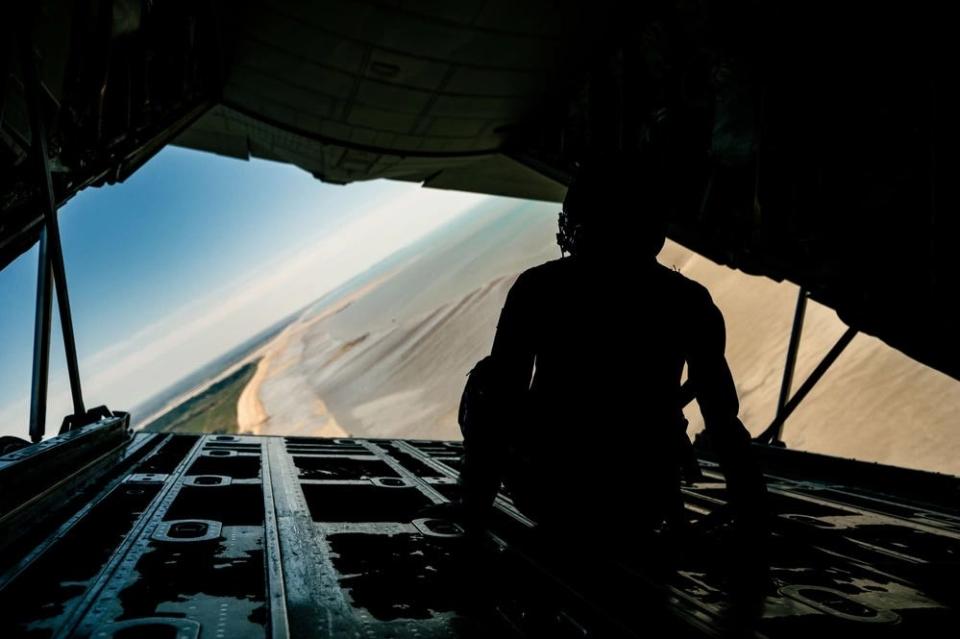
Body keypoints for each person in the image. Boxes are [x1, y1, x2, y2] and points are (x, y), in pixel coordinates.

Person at [457, 156, 768, 546]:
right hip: (645, 502)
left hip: (548, 495)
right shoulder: (690, 301)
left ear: (578, 225)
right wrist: (754, 519)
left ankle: (470, 513)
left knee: (489, 379)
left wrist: (471, 517)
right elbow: (724, 423)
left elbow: (500, 398)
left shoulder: (538, 288)